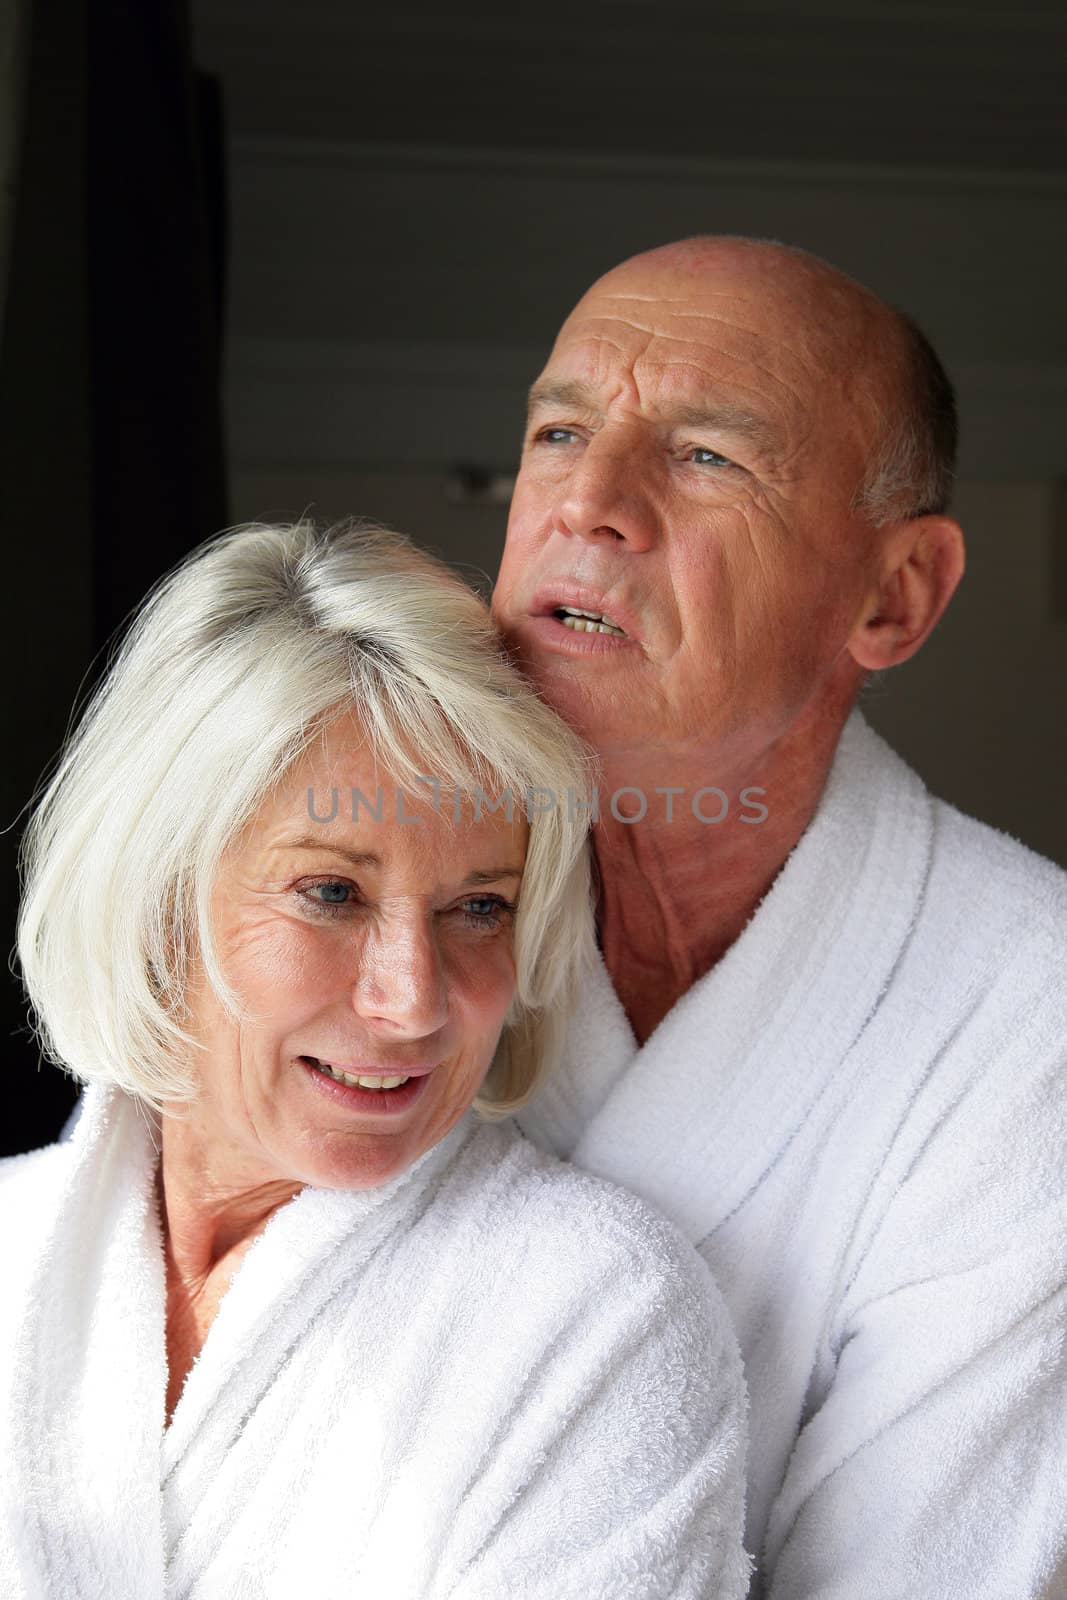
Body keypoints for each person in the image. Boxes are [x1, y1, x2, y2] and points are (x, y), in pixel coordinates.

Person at [1, 521, 752, 1599]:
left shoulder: (594, 1317)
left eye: (477, 907)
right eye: (331, 892)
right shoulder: (12, 1249)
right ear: (157, 895)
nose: (409, 1000)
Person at [492, 235, 1067, 1598]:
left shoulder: (1026, 1007)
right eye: (559, 429)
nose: (588, 500)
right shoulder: (336, 892)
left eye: (703, 458)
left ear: (893, 596)